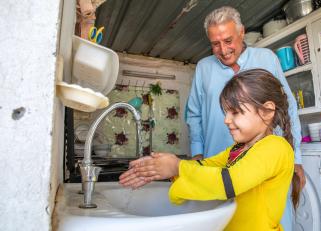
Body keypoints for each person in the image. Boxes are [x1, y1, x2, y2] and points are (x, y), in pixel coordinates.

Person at [119, 69, 301, 231]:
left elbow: (229, 182)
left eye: (235, 112)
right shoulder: (237, 150)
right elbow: (206, 166)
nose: (226, 120)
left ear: (267, 112)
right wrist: (161, 167)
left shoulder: (275, 147)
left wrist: (177, 167)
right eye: (226, 112)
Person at [185, 6, 305, 230]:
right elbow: (194, 114)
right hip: (220, 165)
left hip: (266, 166)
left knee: (270, 218)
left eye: (228, 40)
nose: (223, 49)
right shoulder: (203, 68)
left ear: (242, 33)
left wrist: (296, 157)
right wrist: (198, 155)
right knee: (225, 221)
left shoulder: (267, 58)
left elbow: (288, 106)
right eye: (215, 43)